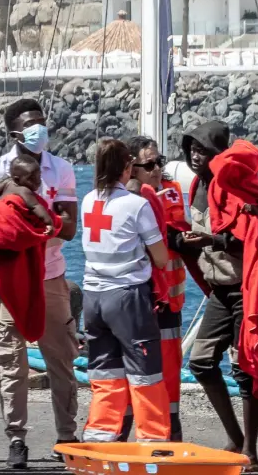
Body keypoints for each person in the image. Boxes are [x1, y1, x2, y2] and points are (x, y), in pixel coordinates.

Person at [0, 98, 79, 468]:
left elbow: (71, 228)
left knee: (62, 358)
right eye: (31, 124)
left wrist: (39, 230)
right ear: (13, 131)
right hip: (10, 282)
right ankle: (16, 439)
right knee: (13, 362)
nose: (39, 129)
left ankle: (67, 436)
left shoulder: (61, 170)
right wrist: (4, 222)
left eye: (42, 122)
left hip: (51, 276)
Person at [176, 121, 258, 470]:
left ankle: (251, 451)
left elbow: (250, 242)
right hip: (218, 291)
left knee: (246, 369)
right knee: (200, 361)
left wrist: (213, 241)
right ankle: (235, 436)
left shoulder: (234, 186)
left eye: (204, 151)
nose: (196, 156)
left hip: (244, 287)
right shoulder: (197, 186)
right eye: (192, 150)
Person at [79, 139, 171, 442]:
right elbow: (160, 257)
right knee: (145, 372)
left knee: (105, 372)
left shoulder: (88, 200)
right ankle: (154, 441)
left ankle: (100, 437)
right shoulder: (137, 204)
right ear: (127, 168)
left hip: (93, 298)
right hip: (127, 296)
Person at [125, 135, 187, 441]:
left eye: (159, 161)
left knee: (170, 371)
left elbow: (177, 234)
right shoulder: (125, 199)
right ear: (131, 168)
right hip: (141, 297)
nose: (157, 168)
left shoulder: (171, 191)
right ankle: (124, 434)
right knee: (134, 370)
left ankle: (171, 432)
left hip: (170, 300)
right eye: (149, 164)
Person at [0, 156, 56, 234]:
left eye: (39, 176)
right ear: (17, 179)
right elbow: (36, 206)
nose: (38, 181)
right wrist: (49, 223)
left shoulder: (7, 183)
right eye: (31, 178)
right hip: (11, 225)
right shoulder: (24, 191)